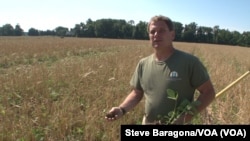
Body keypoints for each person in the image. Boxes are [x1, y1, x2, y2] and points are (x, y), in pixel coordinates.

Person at [105, 15, 215, 125]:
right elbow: (137, 93)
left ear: (172, 35)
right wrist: (121, 109)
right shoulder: (143, 64)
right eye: (152, 32)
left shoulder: (190, 62)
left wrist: (185, 117)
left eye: (162, 31)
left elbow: (208, 92)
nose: (156, 35)